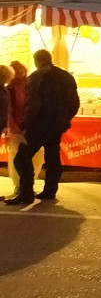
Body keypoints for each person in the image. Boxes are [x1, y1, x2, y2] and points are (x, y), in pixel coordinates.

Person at [5, 50, 81, 206]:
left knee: (22, 157)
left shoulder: (36, 77)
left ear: (36, 60)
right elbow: (75, 102)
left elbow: (33, 104)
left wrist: (25, 124)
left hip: (40, 124)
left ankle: (26, 192)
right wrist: (65, 118)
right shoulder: (66, 76)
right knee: (53, 155)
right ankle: (50, 190)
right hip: (57, 124)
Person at [4, 62, 44, 201]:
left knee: (35, 157)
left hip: (32, 126)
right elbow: (9, 110)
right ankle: (20, 187)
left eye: (21, 68)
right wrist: (13, 127)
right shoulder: (9, 89)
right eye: (16, 69)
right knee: (17, 157)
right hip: (17, 127)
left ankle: (26, 187)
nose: (19, 71)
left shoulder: (31, 84)